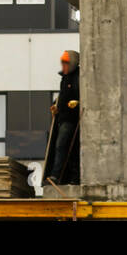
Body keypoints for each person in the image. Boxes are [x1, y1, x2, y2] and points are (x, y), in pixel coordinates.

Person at [45, 49, 81, 185]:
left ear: (72, 64)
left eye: (65, 63)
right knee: (61, 146)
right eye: (62, 63)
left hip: (71, 120)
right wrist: (56, 106)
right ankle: (64, 176)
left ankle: (57, 175)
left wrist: (77, 103)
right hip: (62, 118)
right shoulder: (64, 79)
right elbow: (62, 95)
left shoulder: (78, 76)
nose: (63, 66)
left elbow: (82, 95)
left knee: (64, 146)